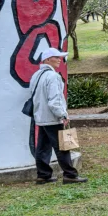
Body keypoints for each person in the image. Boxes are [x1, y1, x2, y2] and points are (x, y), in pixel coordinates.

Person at [29, 48, 86, 184]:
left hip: (41, 117)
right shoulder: (53, 76)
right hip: (52, 118)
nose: (60, 59)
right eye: (56, 57)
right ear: (47, 59)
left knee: (42, 147)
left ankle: (43, 175)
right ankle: (70, 175)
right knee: (62, 147)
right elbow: (55, 100)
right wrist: (63, 114)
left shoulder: (36, 75)